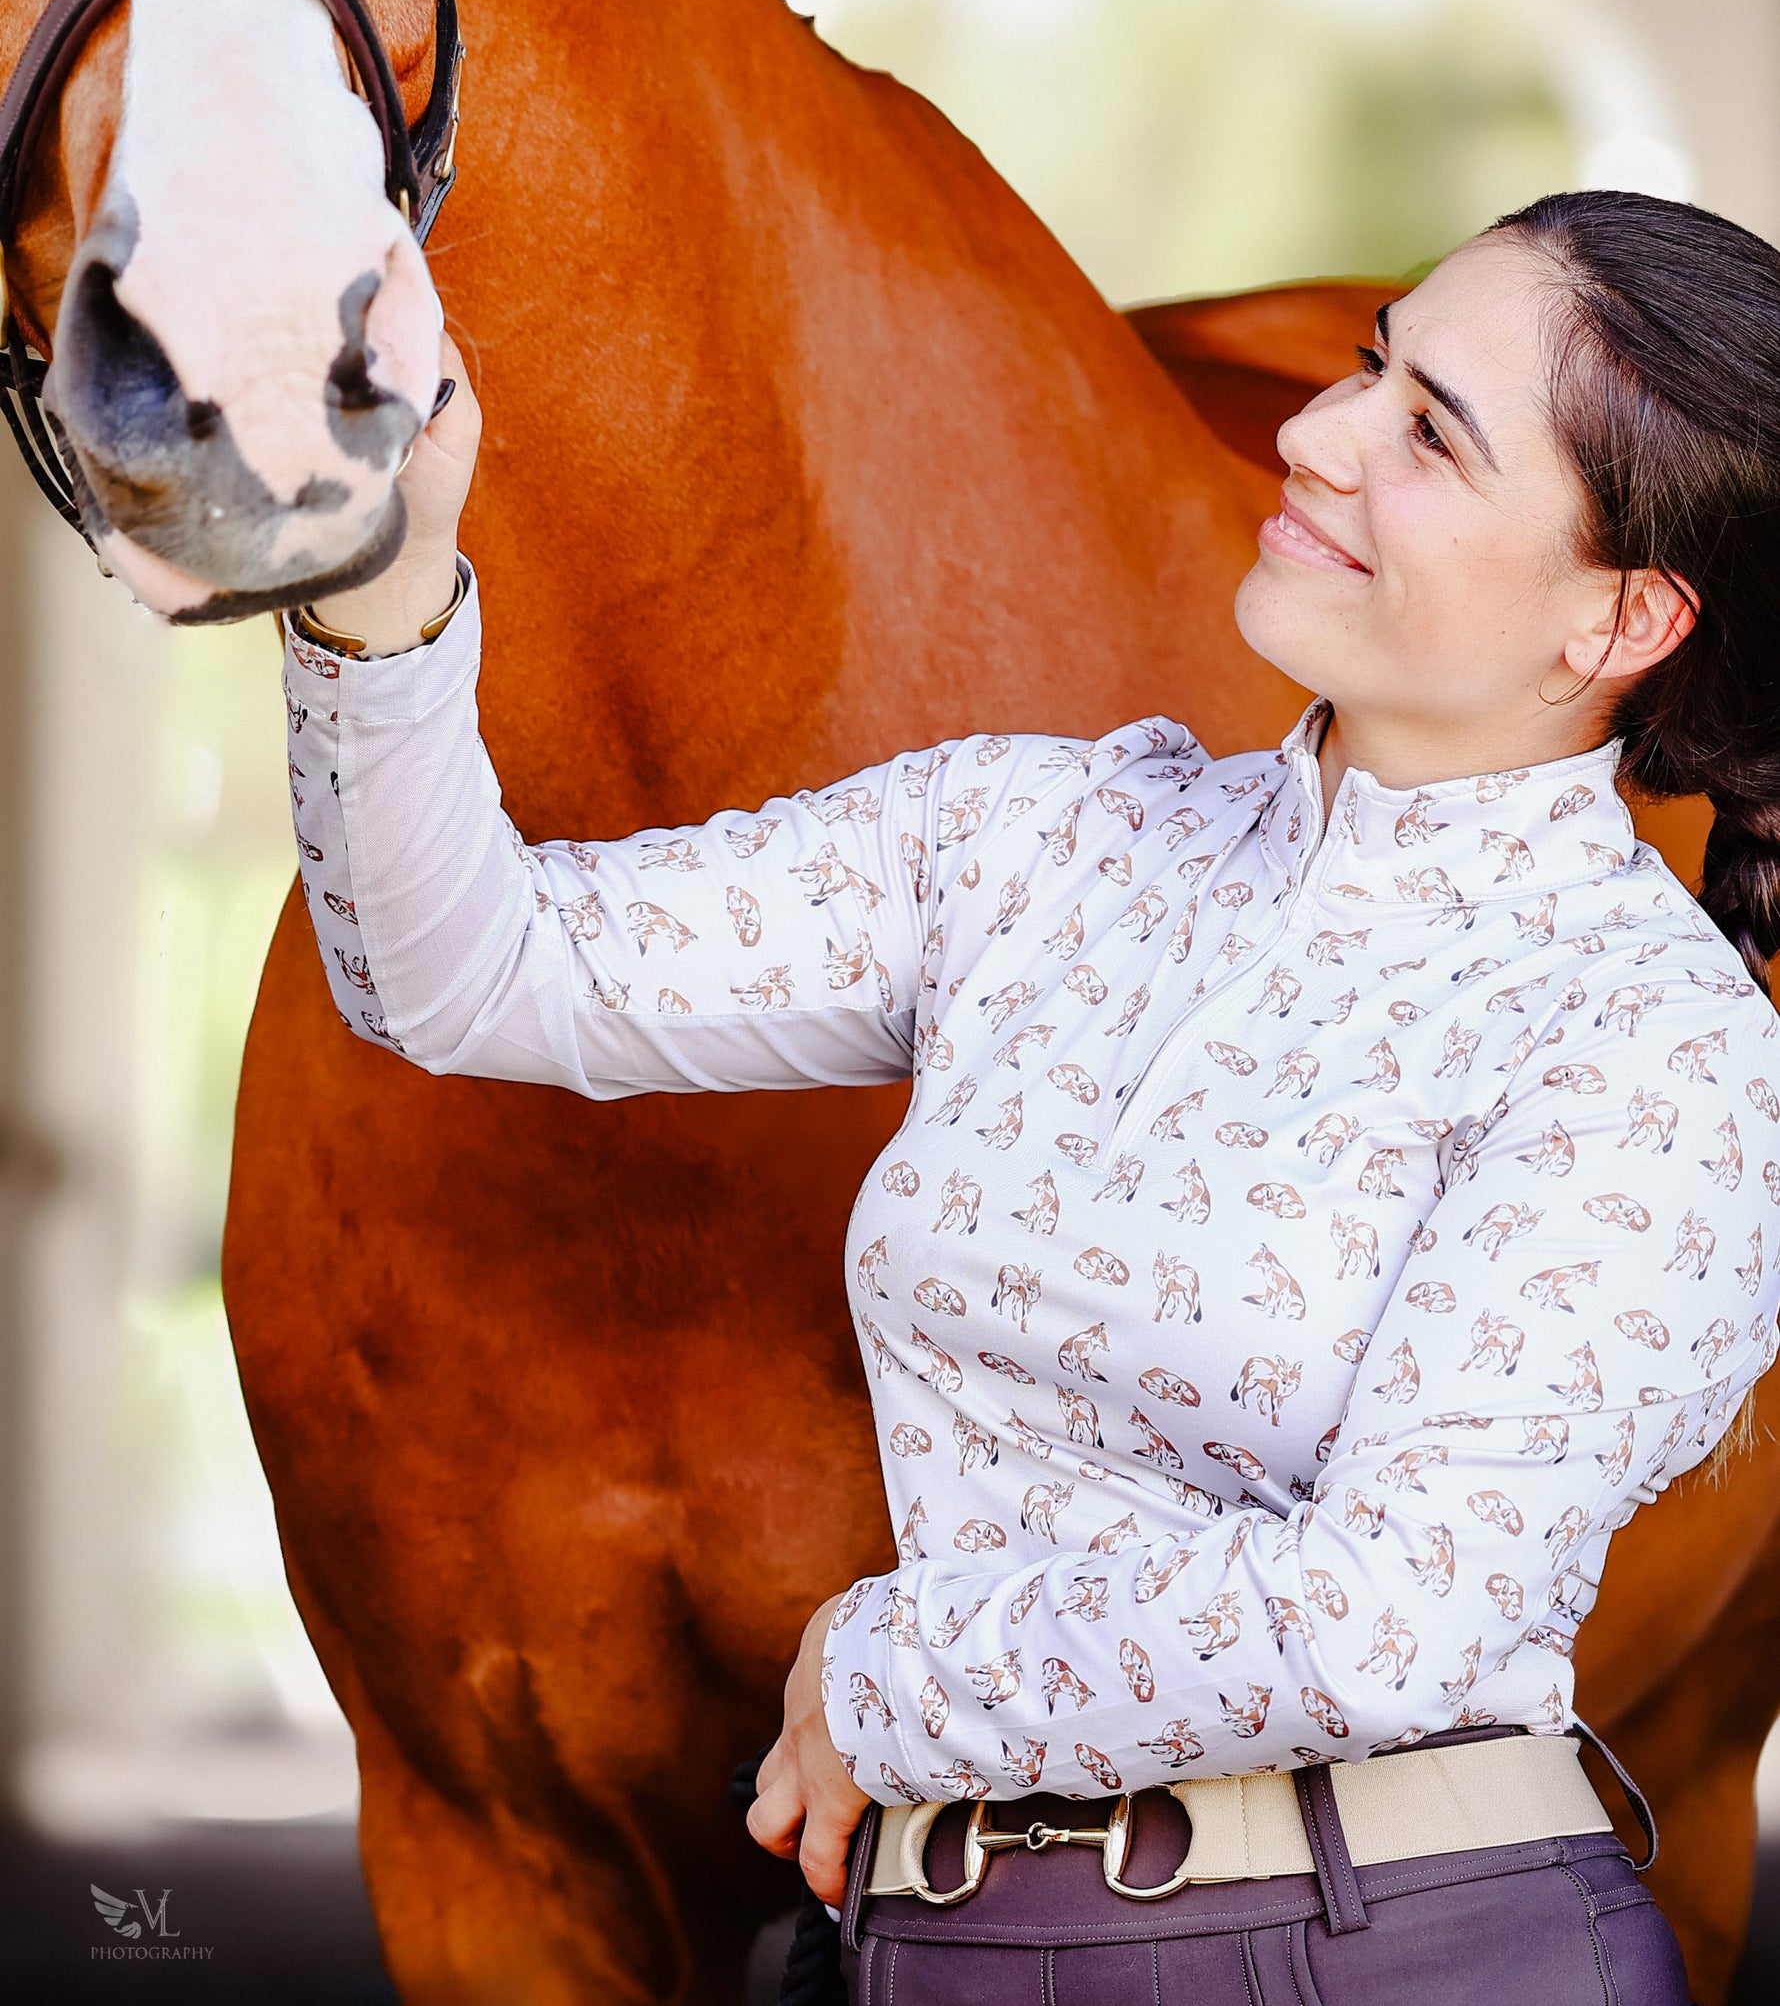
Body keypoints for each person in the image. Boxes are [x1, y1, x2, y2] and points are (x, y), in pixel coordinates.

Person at [280, 190, 1780, 2004]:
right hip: (944, 1952)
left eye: (1430, 435)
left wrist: (882, 1676)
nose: (1317, 434)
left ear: (1623, 616)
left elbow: (1385, 1627)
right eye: (1368, 366)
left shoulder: (1653, 1039)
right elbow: (466, 971)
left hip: (1394, 1956)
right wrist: (380, 593)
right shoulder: (1042, 837)